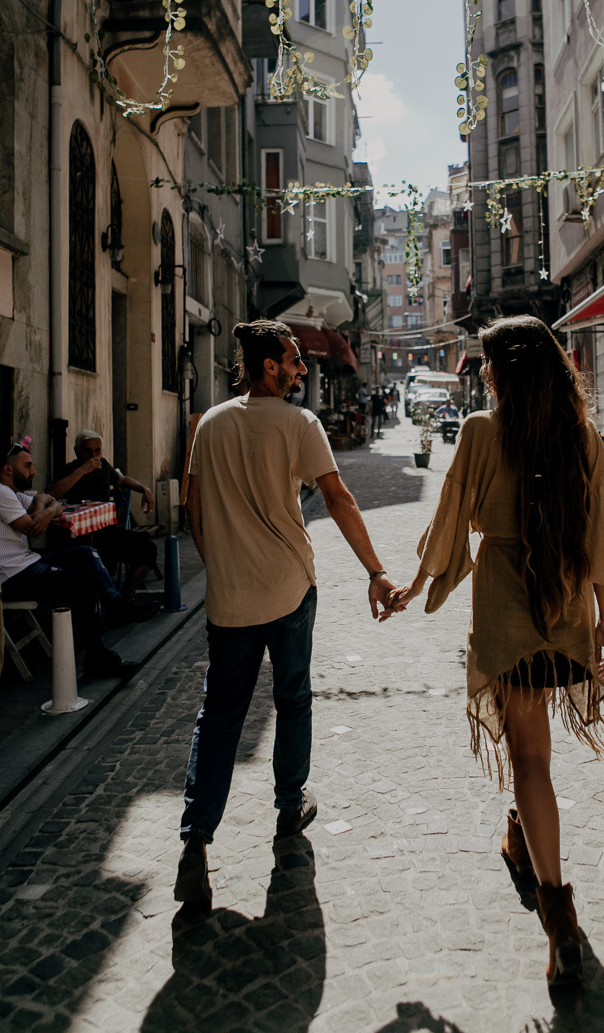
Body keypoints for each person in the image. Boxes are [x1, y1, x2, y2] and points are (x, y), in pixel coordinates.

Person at [388, 316, 604, 987]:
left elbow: (449, 519)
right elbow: (602, 528)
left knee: (527, 759)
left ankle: (559, 918)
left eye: (487, 365)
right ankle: (520, 840)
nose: (484, 374)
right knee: (537, 762)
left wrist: (415, 585)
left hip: (504, 612)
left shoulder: (478, 432)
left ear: (501, 371)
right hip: (562, 612)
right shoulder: (578, 434)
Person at [176, 319, 398, 907]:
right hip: (290, 588)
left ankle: (196, 840)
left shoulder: (210, 425)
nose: (301, 369)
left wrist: (219, 564)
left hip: (230, 598)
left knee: (219, 714)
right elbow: (338, 497)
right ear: (268, 366)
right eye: (294, 361)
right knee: (293, 698)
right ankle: (288, 806)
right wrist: (376, 570)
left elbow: (191, 504)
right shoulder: (300, 424)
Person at [0, 444, 138, 680]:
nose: (33, 471)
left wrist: (45, 509)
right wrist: (46, 511)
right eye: (27, 466)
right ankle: (97, 658)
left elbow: (47, 499)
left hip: (26, 563)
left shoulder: (11, 492)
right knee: (85, 585)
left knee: (85, 552)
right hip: (10, 577)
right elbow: (33, 528)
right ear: (8, 469)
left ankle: (113, 601)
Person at [48, 431, 160, 602]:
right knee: (94, 557)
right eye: (88, 451)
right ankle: (103, 603)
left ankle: (124, 599)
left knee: (147, 549)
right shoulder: (70, 470)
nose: (93, 456)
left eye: (97, 451)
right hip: (79, 536)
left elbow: (123, 480)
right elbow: (51, 493)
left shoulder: (104, 467)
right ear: (77, 451)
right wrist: (82, 471)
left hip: (106, 531)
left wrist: (145, 489)